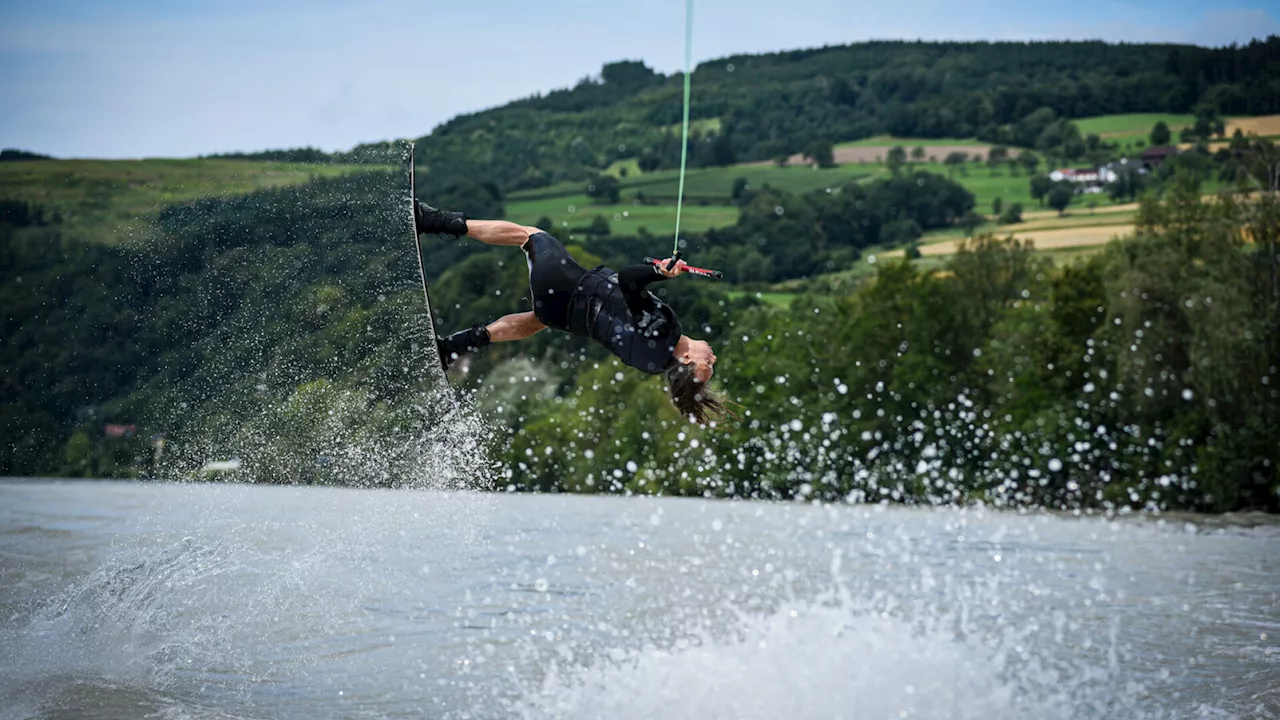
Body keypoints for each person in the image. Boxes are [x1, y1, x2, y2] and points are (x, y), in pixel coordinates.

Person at [415, 200, 726, 424]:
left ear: (686, 359)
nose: (712, 357)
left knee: (531, 236)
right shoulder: (653, 363)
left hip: (566, 285)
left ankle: (434, 221)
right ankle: (454, 347)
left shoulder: (663, 331)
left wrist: (658, 273)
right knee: (538, 321)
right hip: (563, 314)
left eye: (706, 363)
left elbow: (628, 280)